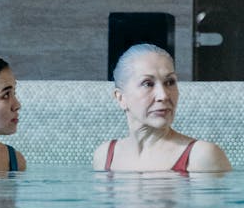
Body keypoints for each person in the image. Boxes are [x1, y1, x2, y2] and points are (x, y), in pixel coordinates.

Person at [92, 43, 231, 173]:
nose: (163, 95)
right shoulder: (104, 156)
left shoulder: (201, 157)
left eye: (170, 82)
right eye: (148, 84)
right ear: (121, 98)